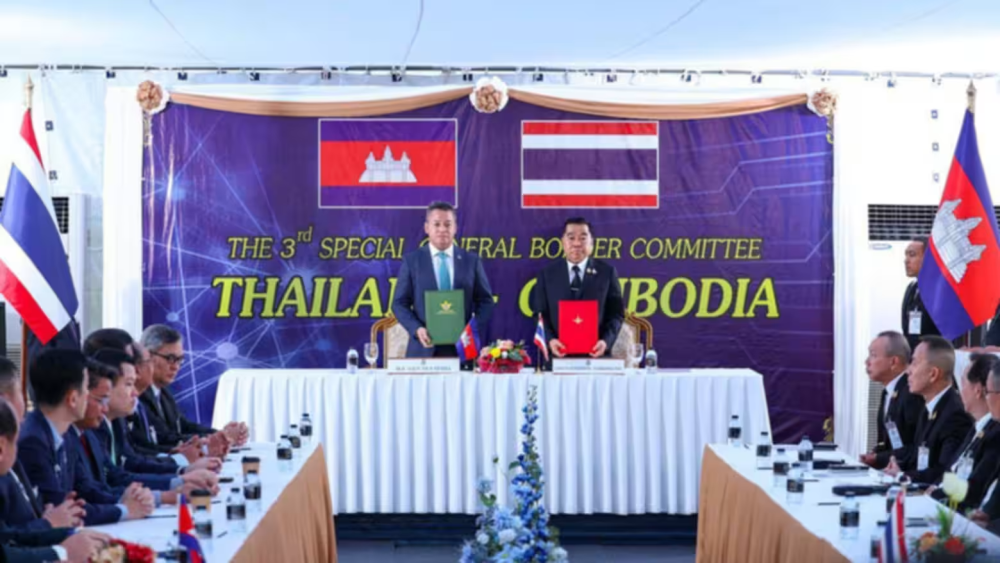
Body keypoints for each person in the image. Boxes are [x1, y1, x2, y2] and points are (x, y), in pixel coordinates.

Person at [17, 349, 153, 525]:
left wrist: (125, 500)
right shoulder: (33, 442)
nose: (89, 397)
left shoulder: (65, 435)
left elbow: (86, 490)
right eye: (86, 389)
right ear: (73, 399)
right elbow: (61, 509)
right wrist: (125, 510)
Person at [74, 353, 218, 505]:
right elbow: (97, 489)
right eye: (129, 384)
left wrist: (181, 475)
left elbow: (122, 469)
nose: (135, 393)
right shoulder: (88, 430)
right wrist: (173, 486)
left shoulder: (112, 422)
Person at [0, 395, 110, 563]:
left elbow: (7, 536)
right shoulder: (34, 439)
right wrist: (63, 552)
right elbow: (5, 553)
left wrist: (70, 534)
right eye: (15, 442)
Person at [90, 348, 221, 478]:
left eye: (180, 360)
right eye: (129, 384)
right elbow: (118, 474)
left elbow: (131, 461)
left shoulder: (117, 420)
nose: (134, 392)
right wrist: (181, 469)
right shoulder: (95, 428)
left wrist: (183, 465)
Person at [392, 201, 495, 359]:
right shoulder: (412, 261)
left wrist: (472, 328)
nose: (442, 229)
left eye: (447, 224)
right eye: (437, 224)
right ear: (427, 228)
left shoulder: (471, 261)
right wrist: (417, 329)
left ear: (455, 228)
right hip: (423, 350)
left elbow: (486, 301)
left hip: (463, 349)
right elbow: (399, 303)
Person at [0, 358, 84, 532]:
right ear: (5, 401)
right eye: (20, 391)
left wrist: (50, 516)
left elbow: (32, 512)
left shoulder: (66, 434)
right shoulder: (31, 440)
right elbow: (7, 540)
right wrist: (48, 524)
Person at [137, 325, 246, 451]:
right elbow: (163, 437)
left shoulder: (163, 392)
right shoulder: (137, 393)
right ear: (148, 355)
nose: (176, 367)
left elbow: (184, 427)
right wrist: (220, 438)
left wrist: (221, 434)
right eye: (170, 359)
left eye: (179, 360)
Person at [884, 336, 973, 484]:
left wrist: (903, 476)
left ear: (933, 374)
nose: (908, 371)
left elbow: (945, 473)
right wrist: (897, 467)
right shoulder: (929, 408)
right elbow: (918, 456)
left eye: (914, 363)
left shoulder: (955, 415)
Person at [532, 218, 625, 359]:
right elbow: (539, 314)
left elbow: (616, 314)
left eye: (583, 238)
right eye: (571, 238)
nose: (576, 244)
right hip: (558, 357)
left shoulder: (607, 273)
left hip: (596, 357)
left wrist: (605, 342)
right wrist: (550, 340)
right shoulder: (547, 274)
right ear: (563, 242)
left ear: (591, 242)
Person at [925, 354, 1000, 509]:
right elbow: (951, 470)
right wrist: (935, 488)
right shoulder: (976, 429)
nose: (959, 391)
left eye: (963, 383)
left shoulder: (994, 434)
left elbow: (975, 487)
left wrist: (936, 494)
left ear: (978, 390)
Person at [860, 331, 924, 469]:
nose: (867, 362)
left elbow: (916, 446)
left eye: (873, 355)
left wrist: (878, 458)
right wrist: (874, 455)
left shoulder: (911, 393)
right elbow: (887, 442)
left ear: (893, 362)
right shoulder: (888, 391)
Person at [901, 236, 943, 350]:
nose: (906, 260)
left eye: (912, 255)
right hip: (913, 353)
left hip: (934, 353)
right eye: (906, 255)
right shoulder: (911, 289)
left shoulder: (941, 291)